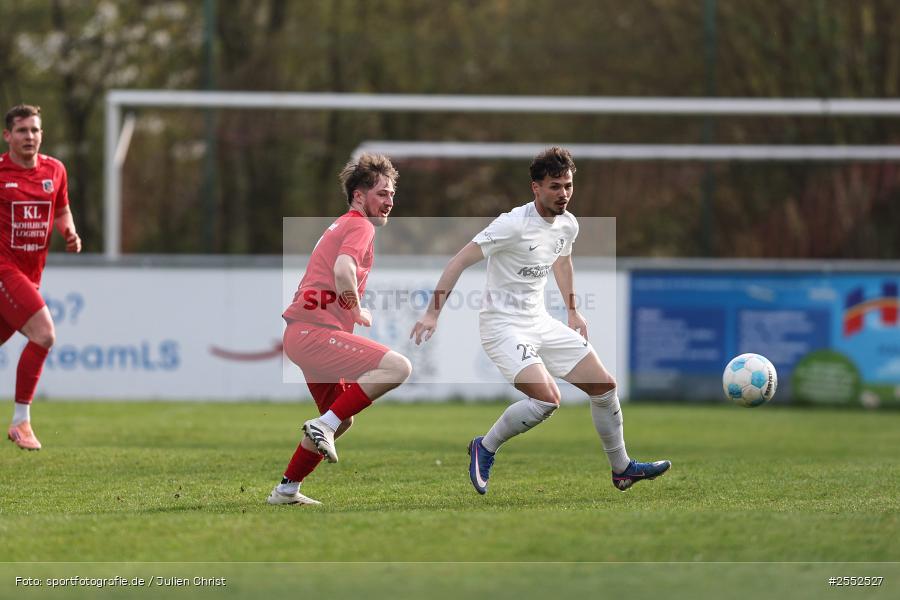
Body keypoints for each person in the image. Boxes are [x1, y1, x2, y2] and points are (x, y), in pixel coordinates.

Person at [410, 146, 670, 494]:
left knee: (604, 387)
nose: (563, 194)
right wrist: (432, 312)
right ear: (536, 188)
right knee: (547, 400)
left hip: (540, 323)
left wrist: (573, 310)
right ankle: (484, 447)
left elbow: (563, 262)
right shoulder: (512, 224)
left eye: (568, 186)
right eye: (555, 187)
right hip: (502, 327)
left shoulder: (568, 225)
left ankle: (622, 469)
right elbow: (458, 261)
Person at [269, 152, 412, 505]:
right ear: (359, 196)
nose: (389, 201)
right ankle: (323, 426)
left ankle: (286, 490)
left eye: (392, 194)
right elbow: (343, 270)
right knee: (398, 367)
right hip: (313, 332)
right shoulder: (359, 225)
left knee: (340, 419)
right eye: (382, 193)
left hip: (302, 333)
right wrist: (356, 307)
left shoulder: (342, 223)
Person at [1, 104, 81, 451]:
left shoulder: (55, 170)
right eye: (22, 130)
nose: (29, 136)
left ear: (42, 135)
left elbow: (61, 209)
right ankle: (21, 420)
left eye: (34, 130)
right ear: (8, 136)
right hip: (4, 269)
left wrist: (70, 232)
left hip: (31, 274)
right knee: (45, 334)